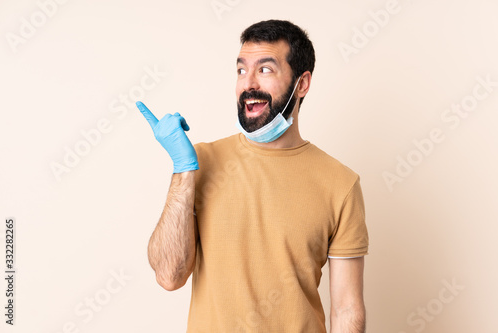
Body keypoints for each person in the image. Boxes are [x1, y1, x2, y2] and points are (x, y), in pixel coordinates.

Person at [136, 19, 369, 333]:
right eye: (241, 70)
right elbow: (168, 275)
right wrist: (183, 170)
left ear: (302, 84)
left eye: (265, 69)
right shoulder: (199, 163)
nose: (248, 84)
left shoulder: (341, 184)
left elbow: (347, 309)